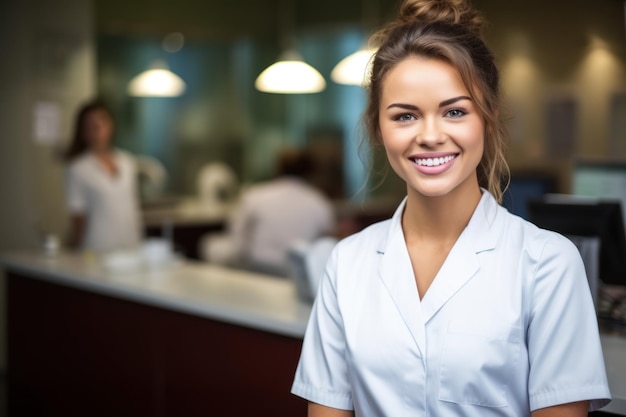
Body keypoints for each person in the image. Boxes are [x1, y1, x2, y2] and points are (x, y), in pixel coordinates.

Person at [291, 0, 611, 416]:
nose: (430, 135)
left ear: (488, 117)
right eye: (405, 116)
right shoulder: (347, 263)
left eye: (455, 112)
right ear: (377, 128)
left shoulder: (547, 264)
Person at [200, 148, 336, 277]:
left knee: (211, 244)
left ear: (278, 168)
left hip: (256, 270)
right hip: (294, 273)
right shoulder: (320, 203)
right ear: (311, 171)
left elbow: (238, 240)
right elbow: (324, 245)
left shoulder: (255, 195)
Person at [64, 99, 142, 252]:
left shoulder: (127, 162)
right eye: (91, 124)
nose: (98, 127)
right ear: (83, 131)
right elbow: (78, 217)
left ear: (111, 124)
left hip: (131, 247)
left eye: (103, 120)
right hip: (98, 249)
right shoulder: (78, 169)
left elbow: (133, 210)